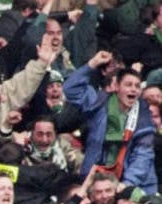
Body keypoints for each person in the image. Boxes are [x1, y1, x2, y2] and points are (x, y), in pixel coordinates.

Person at [63, 50, 158, 194]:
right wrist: (92, 64)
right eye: (128, 85)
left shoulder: (144, 117)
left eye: (137, 86)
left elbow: (142, 156)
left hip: (129, 183)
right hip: (95, 178)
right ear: (116, 86)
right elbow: (70, 89)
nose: (133, 89)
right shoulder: (99, 103)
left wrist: (126, 185)